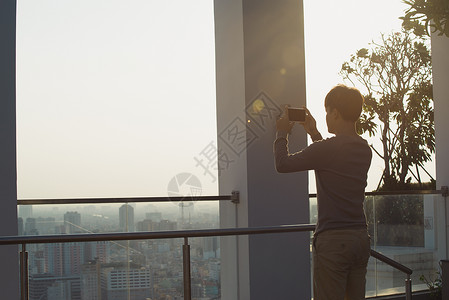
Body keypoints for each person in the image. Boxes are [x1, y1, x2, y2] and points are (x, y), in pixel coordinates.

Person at [273, 84, 372, 300]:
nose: (326, 116)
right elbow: (333, 161)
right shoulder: (364, 149)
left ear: (335, 112)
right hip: (359, 238)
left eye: (327, 111)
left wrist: (281, 131)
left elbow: (282, 164)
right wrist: (314, 132)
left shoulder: (327, 149)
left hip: (334, 241)